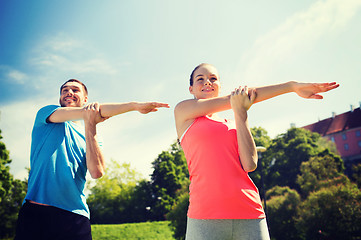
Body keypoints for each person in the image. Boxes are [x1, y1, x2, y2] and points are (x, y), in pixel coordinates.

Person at [174, 63, 339, 240]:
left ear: (220, 86)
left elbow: (250, 164)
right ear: (191, 88)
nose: (207, 82)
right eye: (201, 79)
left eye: (213, 79)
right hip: (204, 217)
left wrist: (240, 113)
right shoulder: (184, 111)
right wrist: (291, 86)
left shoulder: (232, 122)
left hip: (249, 213)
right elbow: (240, 97)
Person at [14, 79, 169, 240]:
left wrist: (91, 124)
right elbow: (93, 111)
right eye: (65, 90)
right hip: (36, 214)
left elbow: (97, 172)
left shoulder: (92, 136)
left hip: (75, 218)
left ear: (85, 99)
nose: (69, 92)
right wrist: (134, 106)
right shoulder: (46, 114)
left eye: (75, 90)